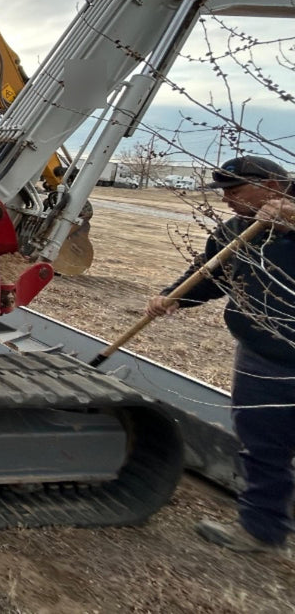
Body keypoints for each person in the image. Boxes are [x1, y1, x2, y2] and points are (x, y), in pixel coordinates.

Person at [145, 155, 295, 555]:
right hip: (263, 359)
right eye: (223, 192)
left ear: (273, 186)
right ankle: (261, 530)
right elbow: (208, 276)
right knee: (263, 447)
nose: (226, 199)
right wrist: (172, 297)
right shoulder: (234, 232)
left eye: (235, 190)